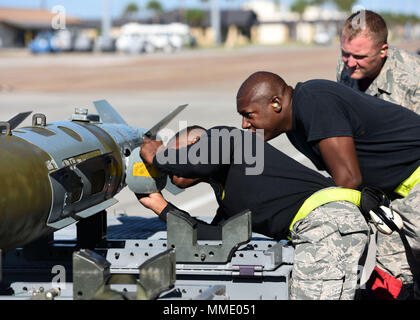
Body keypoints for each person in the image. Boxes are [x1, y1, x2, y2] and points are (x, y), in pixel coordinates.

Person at [236, 71, 420, 299]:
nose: (244, 124)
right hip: (398, 194)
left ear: (275, 104)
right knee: (389, 284)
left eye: (248, 115)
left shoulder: (313, 100)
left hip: (415, 182)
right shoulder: (296, 126)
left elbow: (348, 180)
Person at [137, 125, 371, 300]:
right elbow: (212, 237)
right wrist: (160, 206)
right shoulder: (229, 197)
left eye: (177, 153)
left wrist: (157, 155)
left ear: (198, 141)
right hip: (322, 229)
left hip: (326, 222)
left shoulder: (226, 138)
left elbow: (196, 163)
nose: (170, 168)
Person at [337, 10, 420, 114]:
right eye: (345, 53)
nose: (350, 63)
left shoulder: (415, 77)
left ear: (383, 51)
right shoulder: (343, 64)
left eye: (359, 56)